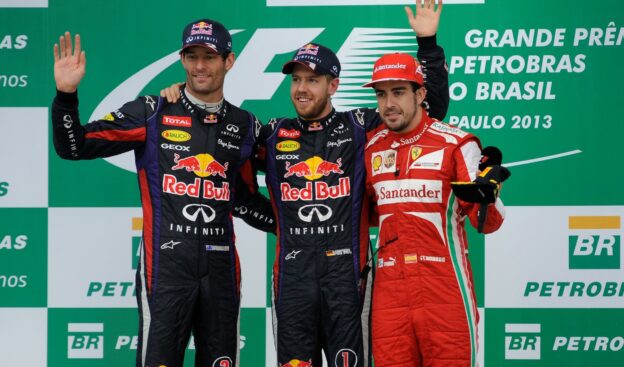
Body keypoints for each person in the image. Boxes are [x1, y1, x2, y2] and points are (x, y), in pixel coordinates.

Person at [160, 2, 447, 366]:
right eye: (296, 80)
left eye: (312, 80)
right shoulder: (274, 134)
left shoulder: (359, 125)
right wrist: (182, 100)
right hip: (292, 278)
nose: (301, 89)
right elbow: (231, 183)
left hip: (348, 276)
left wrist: (427, 43)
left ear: (333, 84)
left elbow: (428, 110)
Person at [51, 19, 274, 367]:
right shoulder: (152, 111)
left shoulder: (246, 125)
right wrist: (66, 95)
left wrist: (293, 226)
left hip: (221, 267)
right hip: (166, 264)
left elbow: (244, 197)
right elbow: (74, 146)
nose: (200, 66)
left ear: (228, 61)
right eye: (192, 56)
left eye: (210, 57)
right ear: (183, 60)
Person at [362, 52, 506, 366]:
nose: (388, 104)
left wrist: (490, 194)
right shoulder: (371, 146)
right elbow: (366, 214)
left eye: (398, 92)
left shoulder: (456, 143)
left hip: (444, 287)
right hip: (389, 291)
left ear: (421, 94)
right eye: (381, 94)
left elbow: (487, 223)